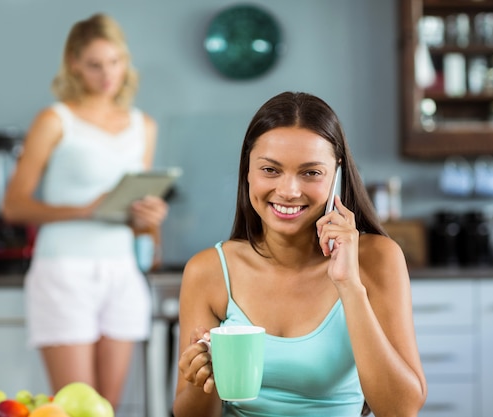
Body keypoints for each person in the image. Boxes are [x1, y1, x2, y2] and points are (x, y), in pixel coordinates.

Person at [173, 92, 426, 417]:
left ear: (337, 174)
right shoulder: (208, 270)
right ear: (247, 170)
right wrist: (201, 378)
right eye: (270, 170)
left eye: (311, 173)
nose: (289, 191)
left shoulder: (377, 258)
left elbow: (402, 410)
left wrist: (349, 284)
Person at [2, 13, 168, 409]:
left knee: (107, 407)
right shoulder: (55, 120)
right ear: (74, 63)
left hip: (121, 271)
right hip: (64, 272)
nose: (107, 74)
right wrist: (86, 210)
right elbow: (14, 205)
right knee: (75, 407)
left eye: (115, 61)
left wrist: (148, 222)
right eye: (95, 64)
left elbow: (138, 218)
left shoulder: (142, 125)